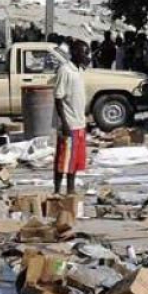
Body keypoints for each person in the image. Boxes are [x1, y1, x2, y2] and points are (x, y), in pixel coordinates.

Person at [53, 41, 89, 195]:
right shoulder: (65, 70)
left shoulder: (79, 70)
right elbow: (58, 98)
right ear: (75, 53)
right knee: (64, 159)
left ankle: (70, 189)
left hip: (79, 122)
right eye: (84, 52)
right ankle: (57, 190)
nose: (86, 56)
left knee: (75, 160)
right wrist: (64, 123)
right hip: (69, 123)